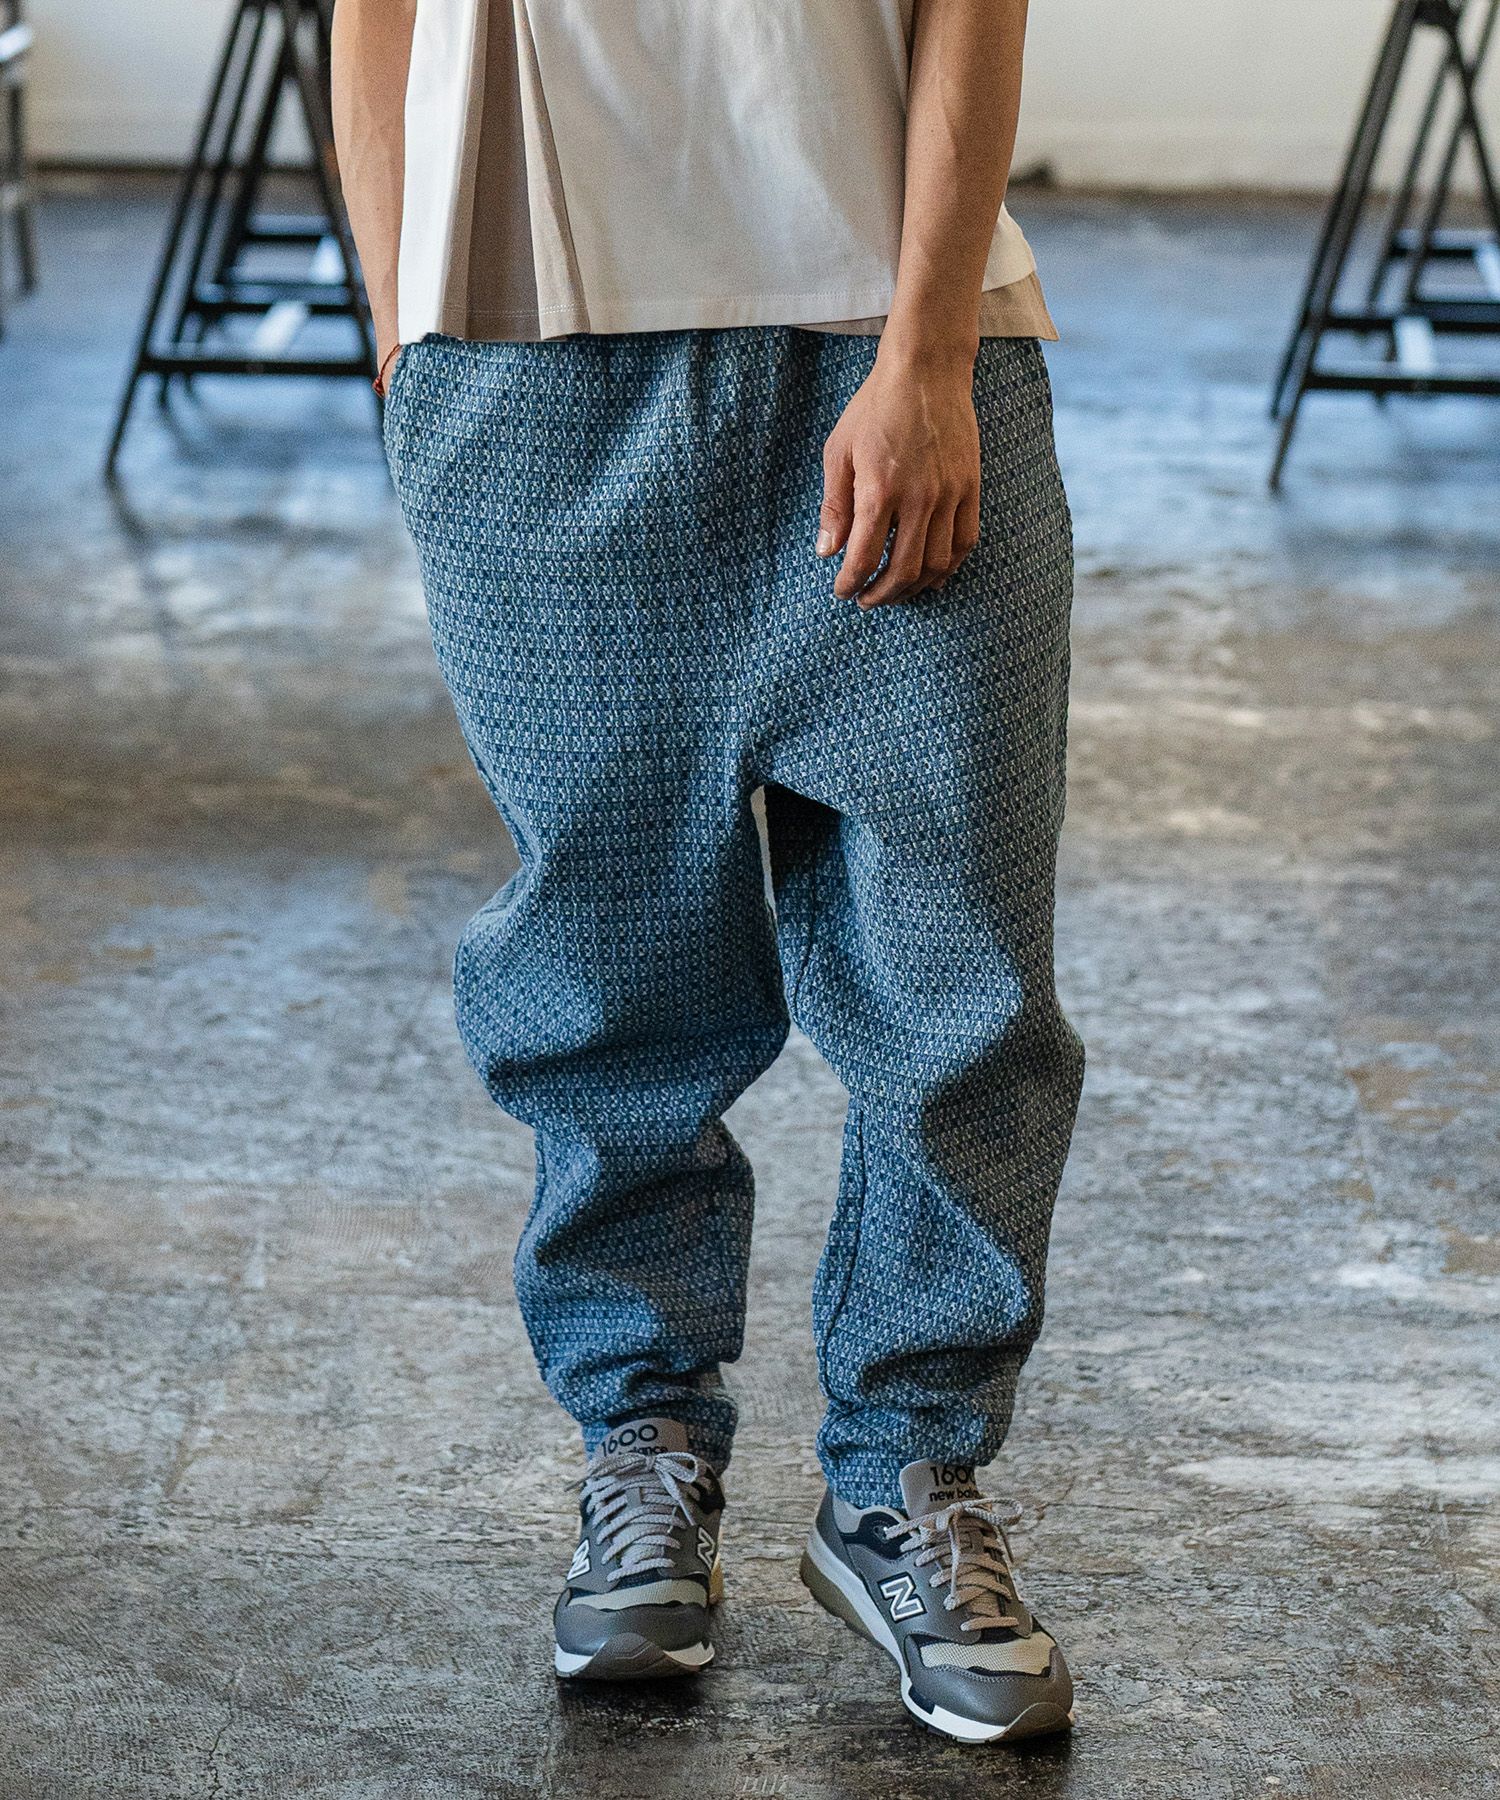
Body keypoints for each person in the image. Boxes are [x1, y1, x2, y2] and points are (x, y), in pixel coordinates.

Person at [332, 0, 1084, 1745]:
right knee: (607, 975)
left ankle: (907, 1475)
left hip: (890, 336)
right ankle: (643, 1442)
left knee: (962, 974)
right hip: (523, 349)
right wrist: (403, 326)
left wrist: (928, 354)